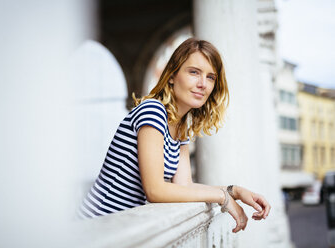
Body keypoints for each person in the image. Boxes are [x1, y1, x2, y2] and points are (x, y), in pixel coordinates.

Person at [80, 38, 271, 233]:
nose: (203, 84)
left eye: (211, 77)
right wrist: (222, 198)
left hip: (118, 229)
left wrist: (234, 191)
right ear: (172, 75)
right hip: (94, 225)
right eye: (194, 72)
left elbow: (184, 185)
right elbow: (155, 190)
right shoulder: (153, 111)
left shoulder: (180, 126)